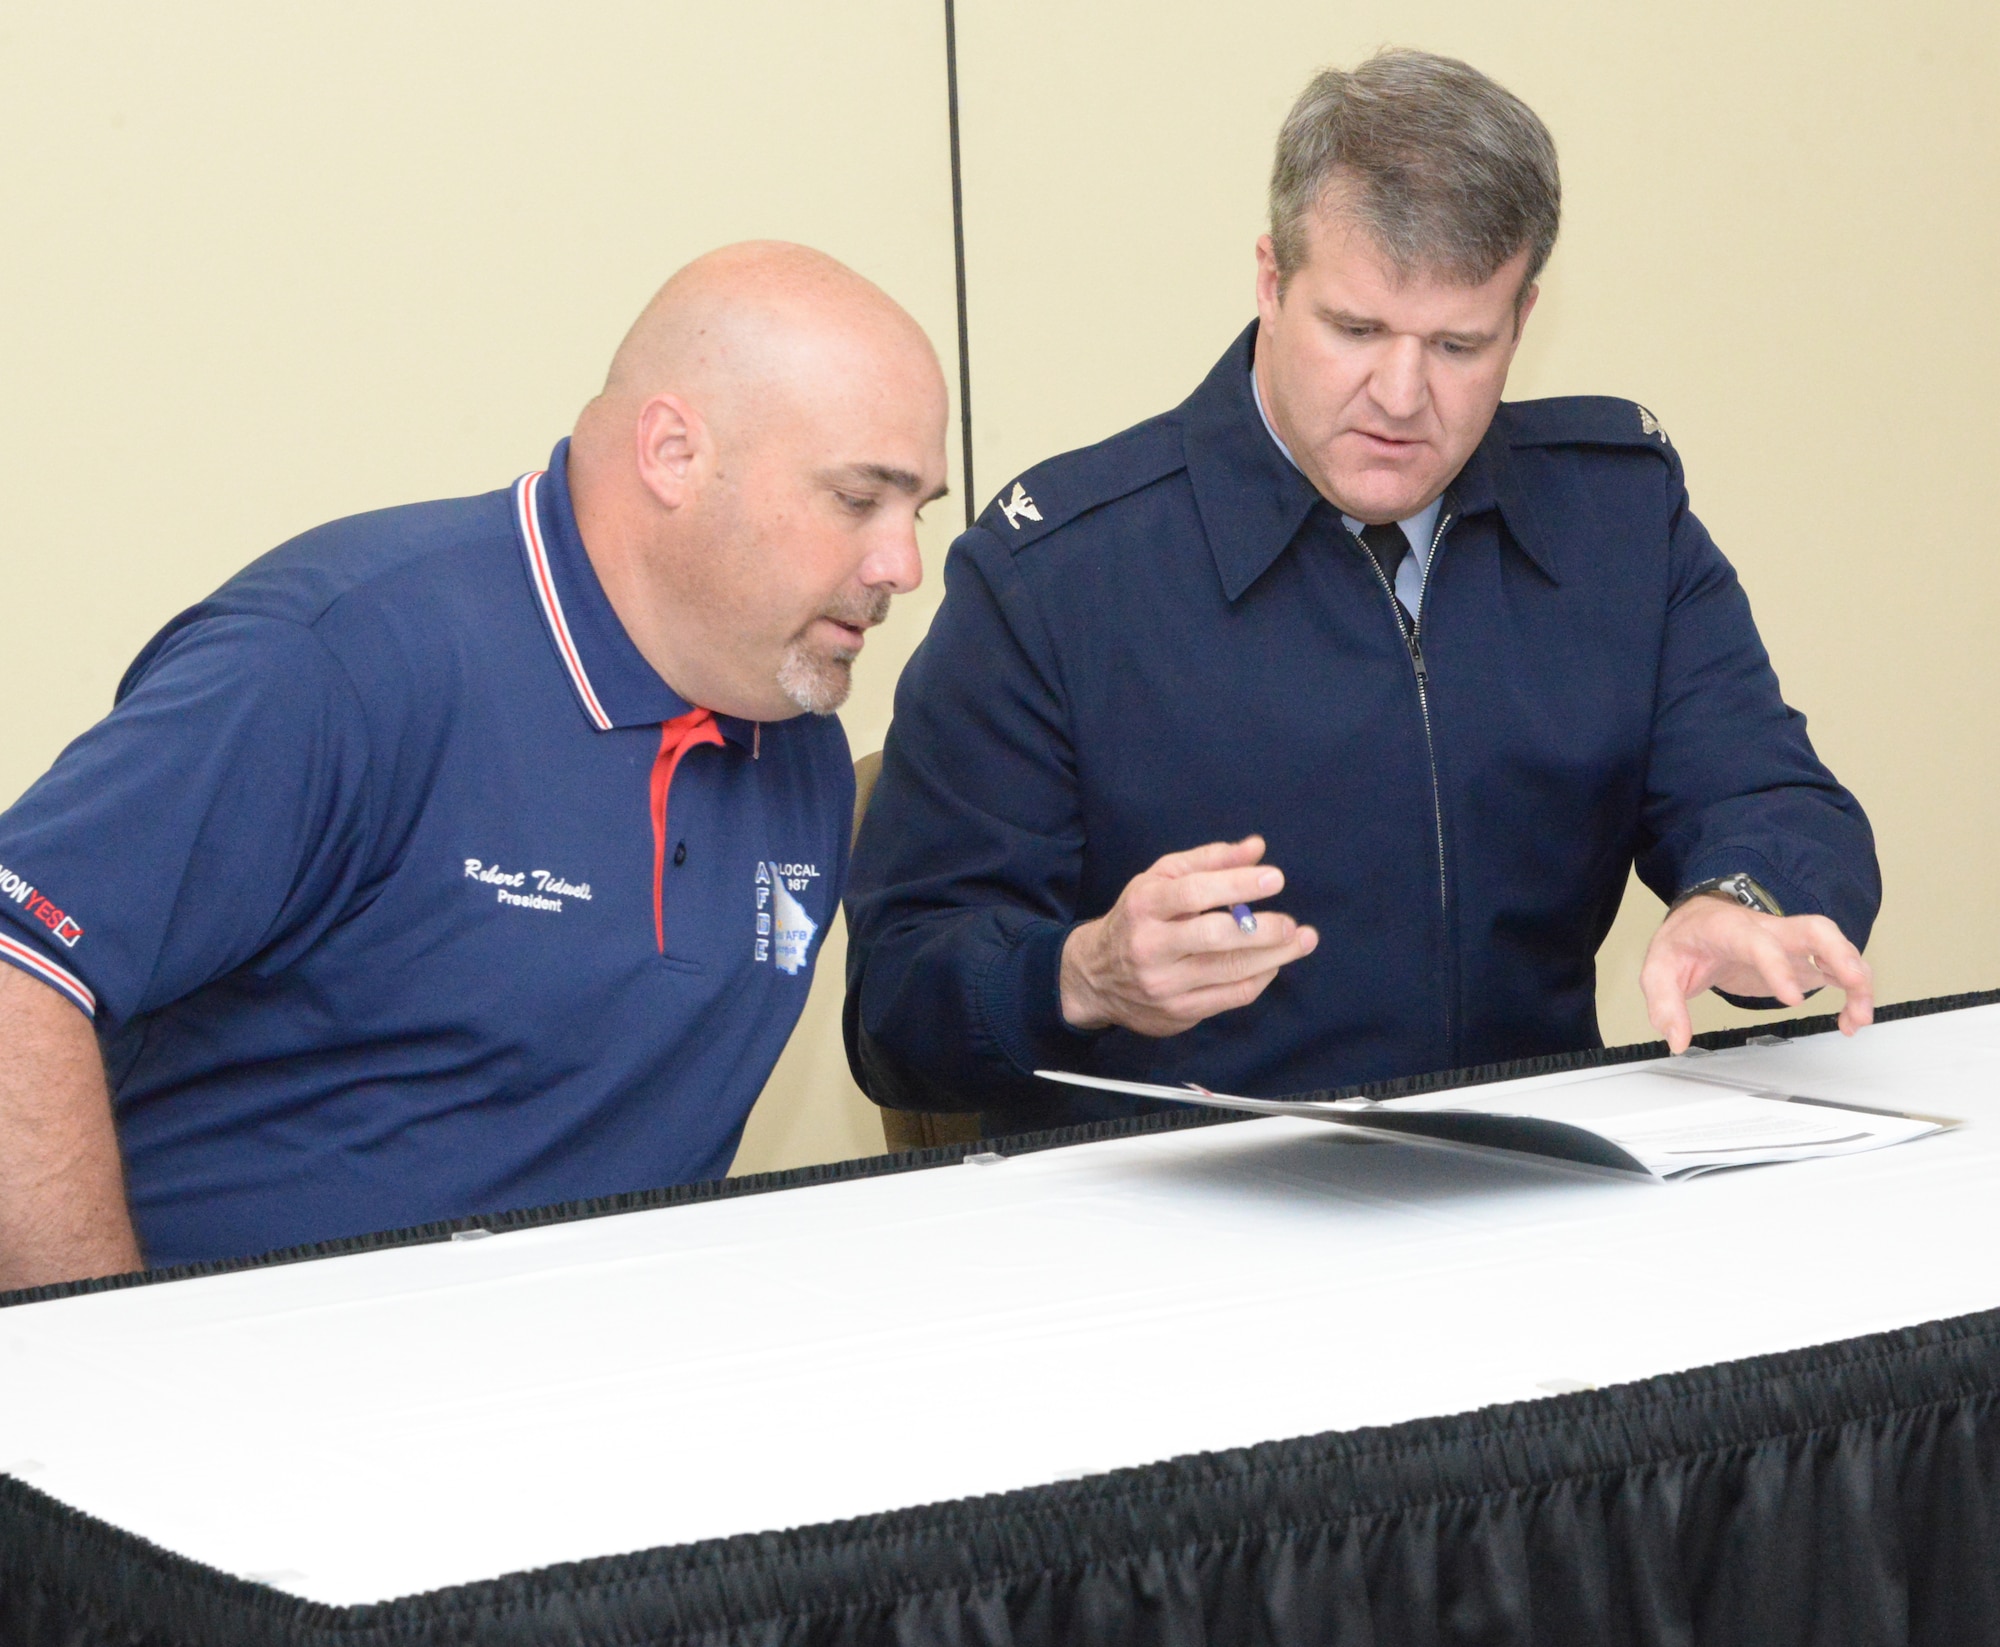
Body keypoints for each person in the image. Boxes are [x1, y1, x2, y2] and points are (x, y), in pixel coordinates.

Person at [844, 50, 1878, 1137]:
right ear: (1268, 281)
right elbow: (896, 1005)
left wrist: (1740, 897)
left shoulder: (1614, 521)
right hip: (1184, 1224)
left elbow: (1771, 797)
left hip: (1534, 1195)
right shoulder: (1056, 575)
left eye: (1456, 345)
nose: (1398, 395)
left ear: (1522, 318)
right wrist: (1080, 976)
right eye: (1354, 330)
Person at [0, 242, 948, 1287]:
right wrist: (107, 1362)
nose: (901, 565)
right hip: (231, 1394)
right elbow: (17, 968)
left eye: (918, 513)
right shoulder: (344, 658)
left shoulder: (795, 727)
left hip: (571, 1401)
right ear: (674, 454)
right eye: (859, 500)